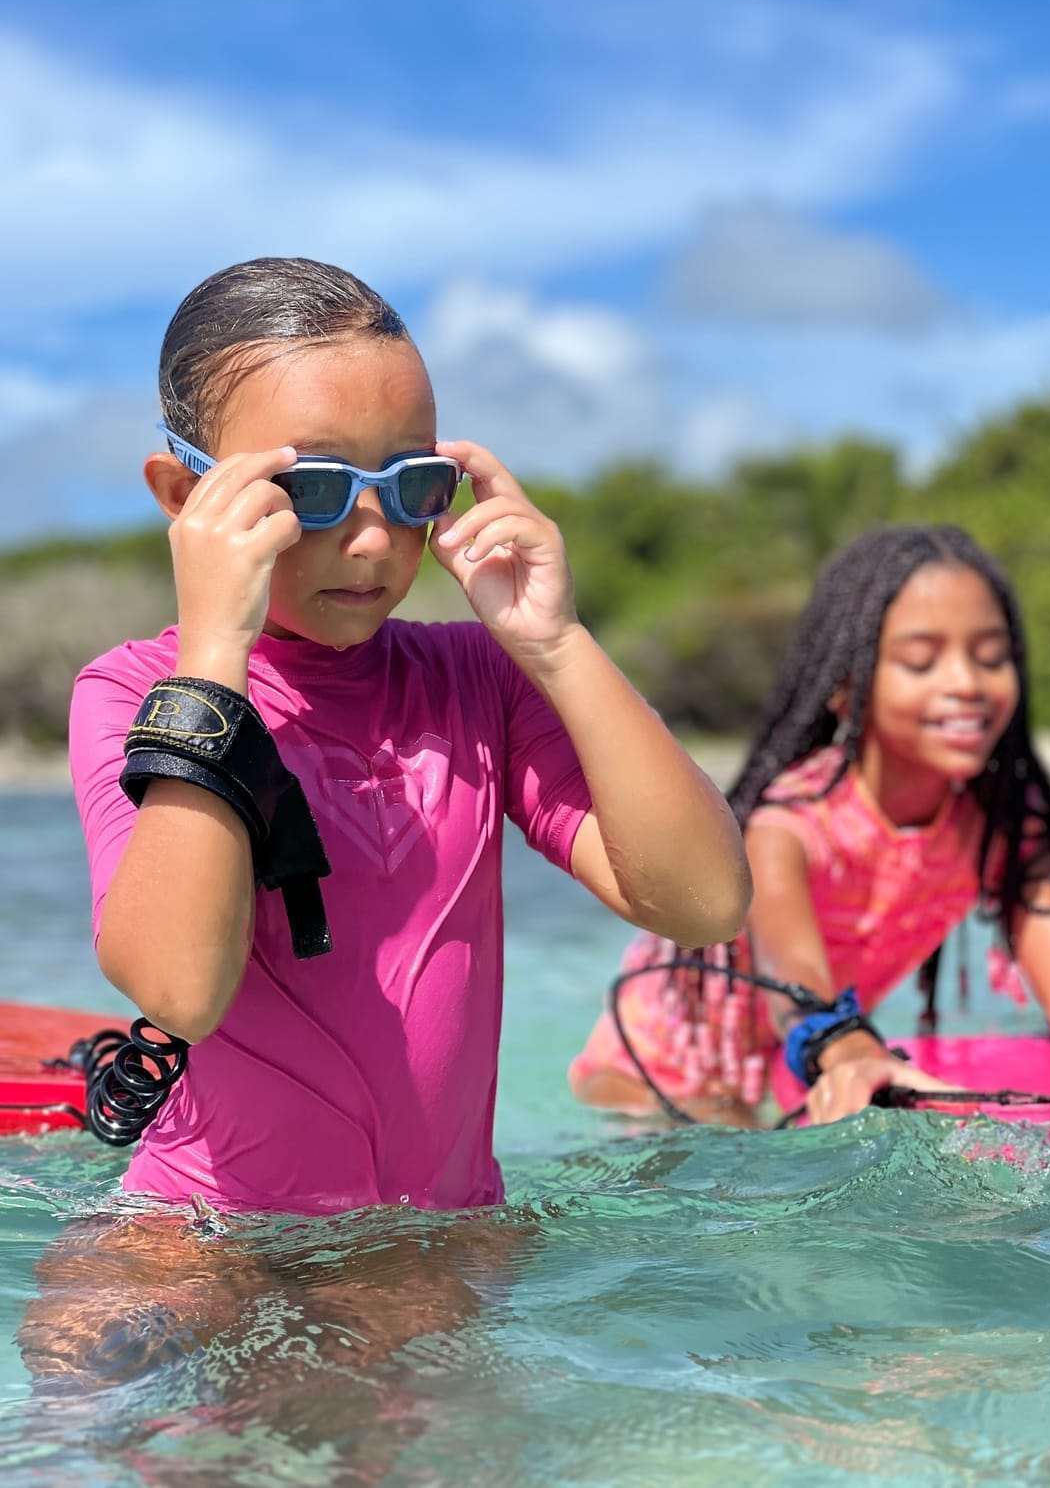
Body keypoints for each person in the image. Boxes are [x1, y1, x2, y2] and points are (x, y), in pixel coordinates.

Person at [66, 255, 752, 1216]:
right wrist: (216, 651)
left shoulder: (478, 682)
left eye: (415, 482)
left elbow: (704, 903)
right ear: (187, 499)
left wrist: (554, 644)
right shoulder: (137, 692)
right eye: (313, 490)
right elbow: (179, 991)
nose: (375, 536)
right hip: (201, 1237)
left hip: (442, 1246)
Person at [570, 524, 1050, 1127]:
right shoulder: (788, 827)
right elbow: (796, 987)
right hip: (658, 1077)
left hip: (806, 1061)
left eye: (992, 657)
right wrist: (854, 1052)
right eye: (921, 661)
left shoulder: (1002, 827)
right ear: (844, 684)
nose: (966, 684)